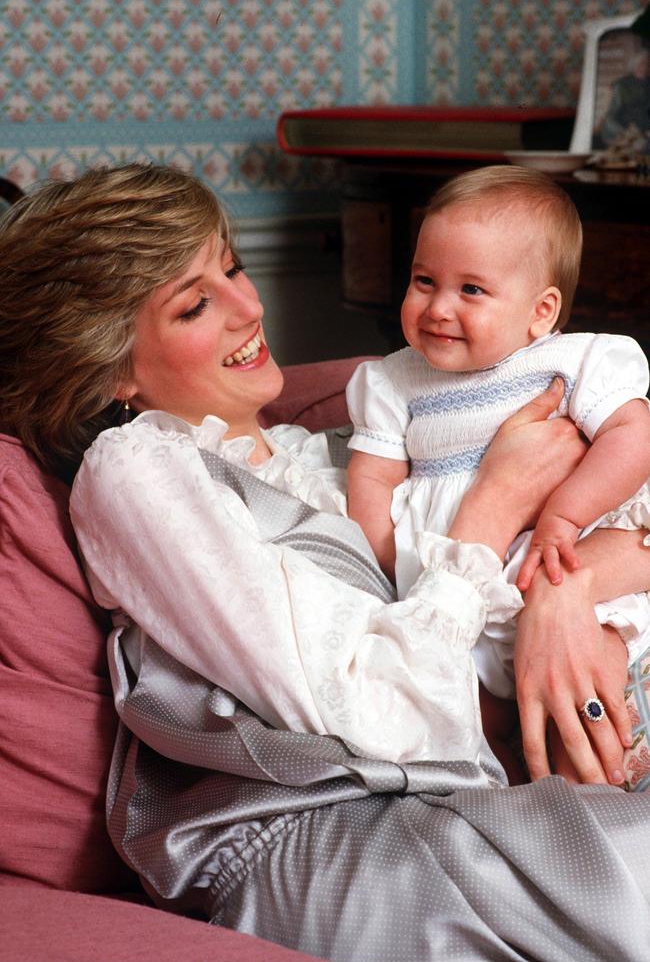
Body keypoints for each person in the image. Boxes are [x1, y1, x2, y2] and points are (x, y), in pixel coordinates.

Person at [2, 163, 650, 962]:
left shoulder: (341, 456)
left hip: (452, 802)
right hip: (318, 838)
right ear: (113, 368)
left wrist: (564, 595)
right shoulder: (138, 471)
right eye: (197, 302)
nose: (251, 305)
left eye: (233, 266)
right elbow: (376, 718)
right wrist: (495, 507)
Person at [346, 165, 650, 780]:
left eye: (471, 290)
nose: (437, 308)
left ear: (541, 312)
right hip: (461, 606)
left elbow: (633, 437)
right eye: (424, 280)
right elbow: (371, 480)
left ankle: (601, 824)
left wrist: (563, 515)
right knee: (470, 741)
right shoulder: (392, 381)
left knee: (587, 742)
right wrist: (391, 565)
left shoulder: (575, 359)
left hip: (577, 577)